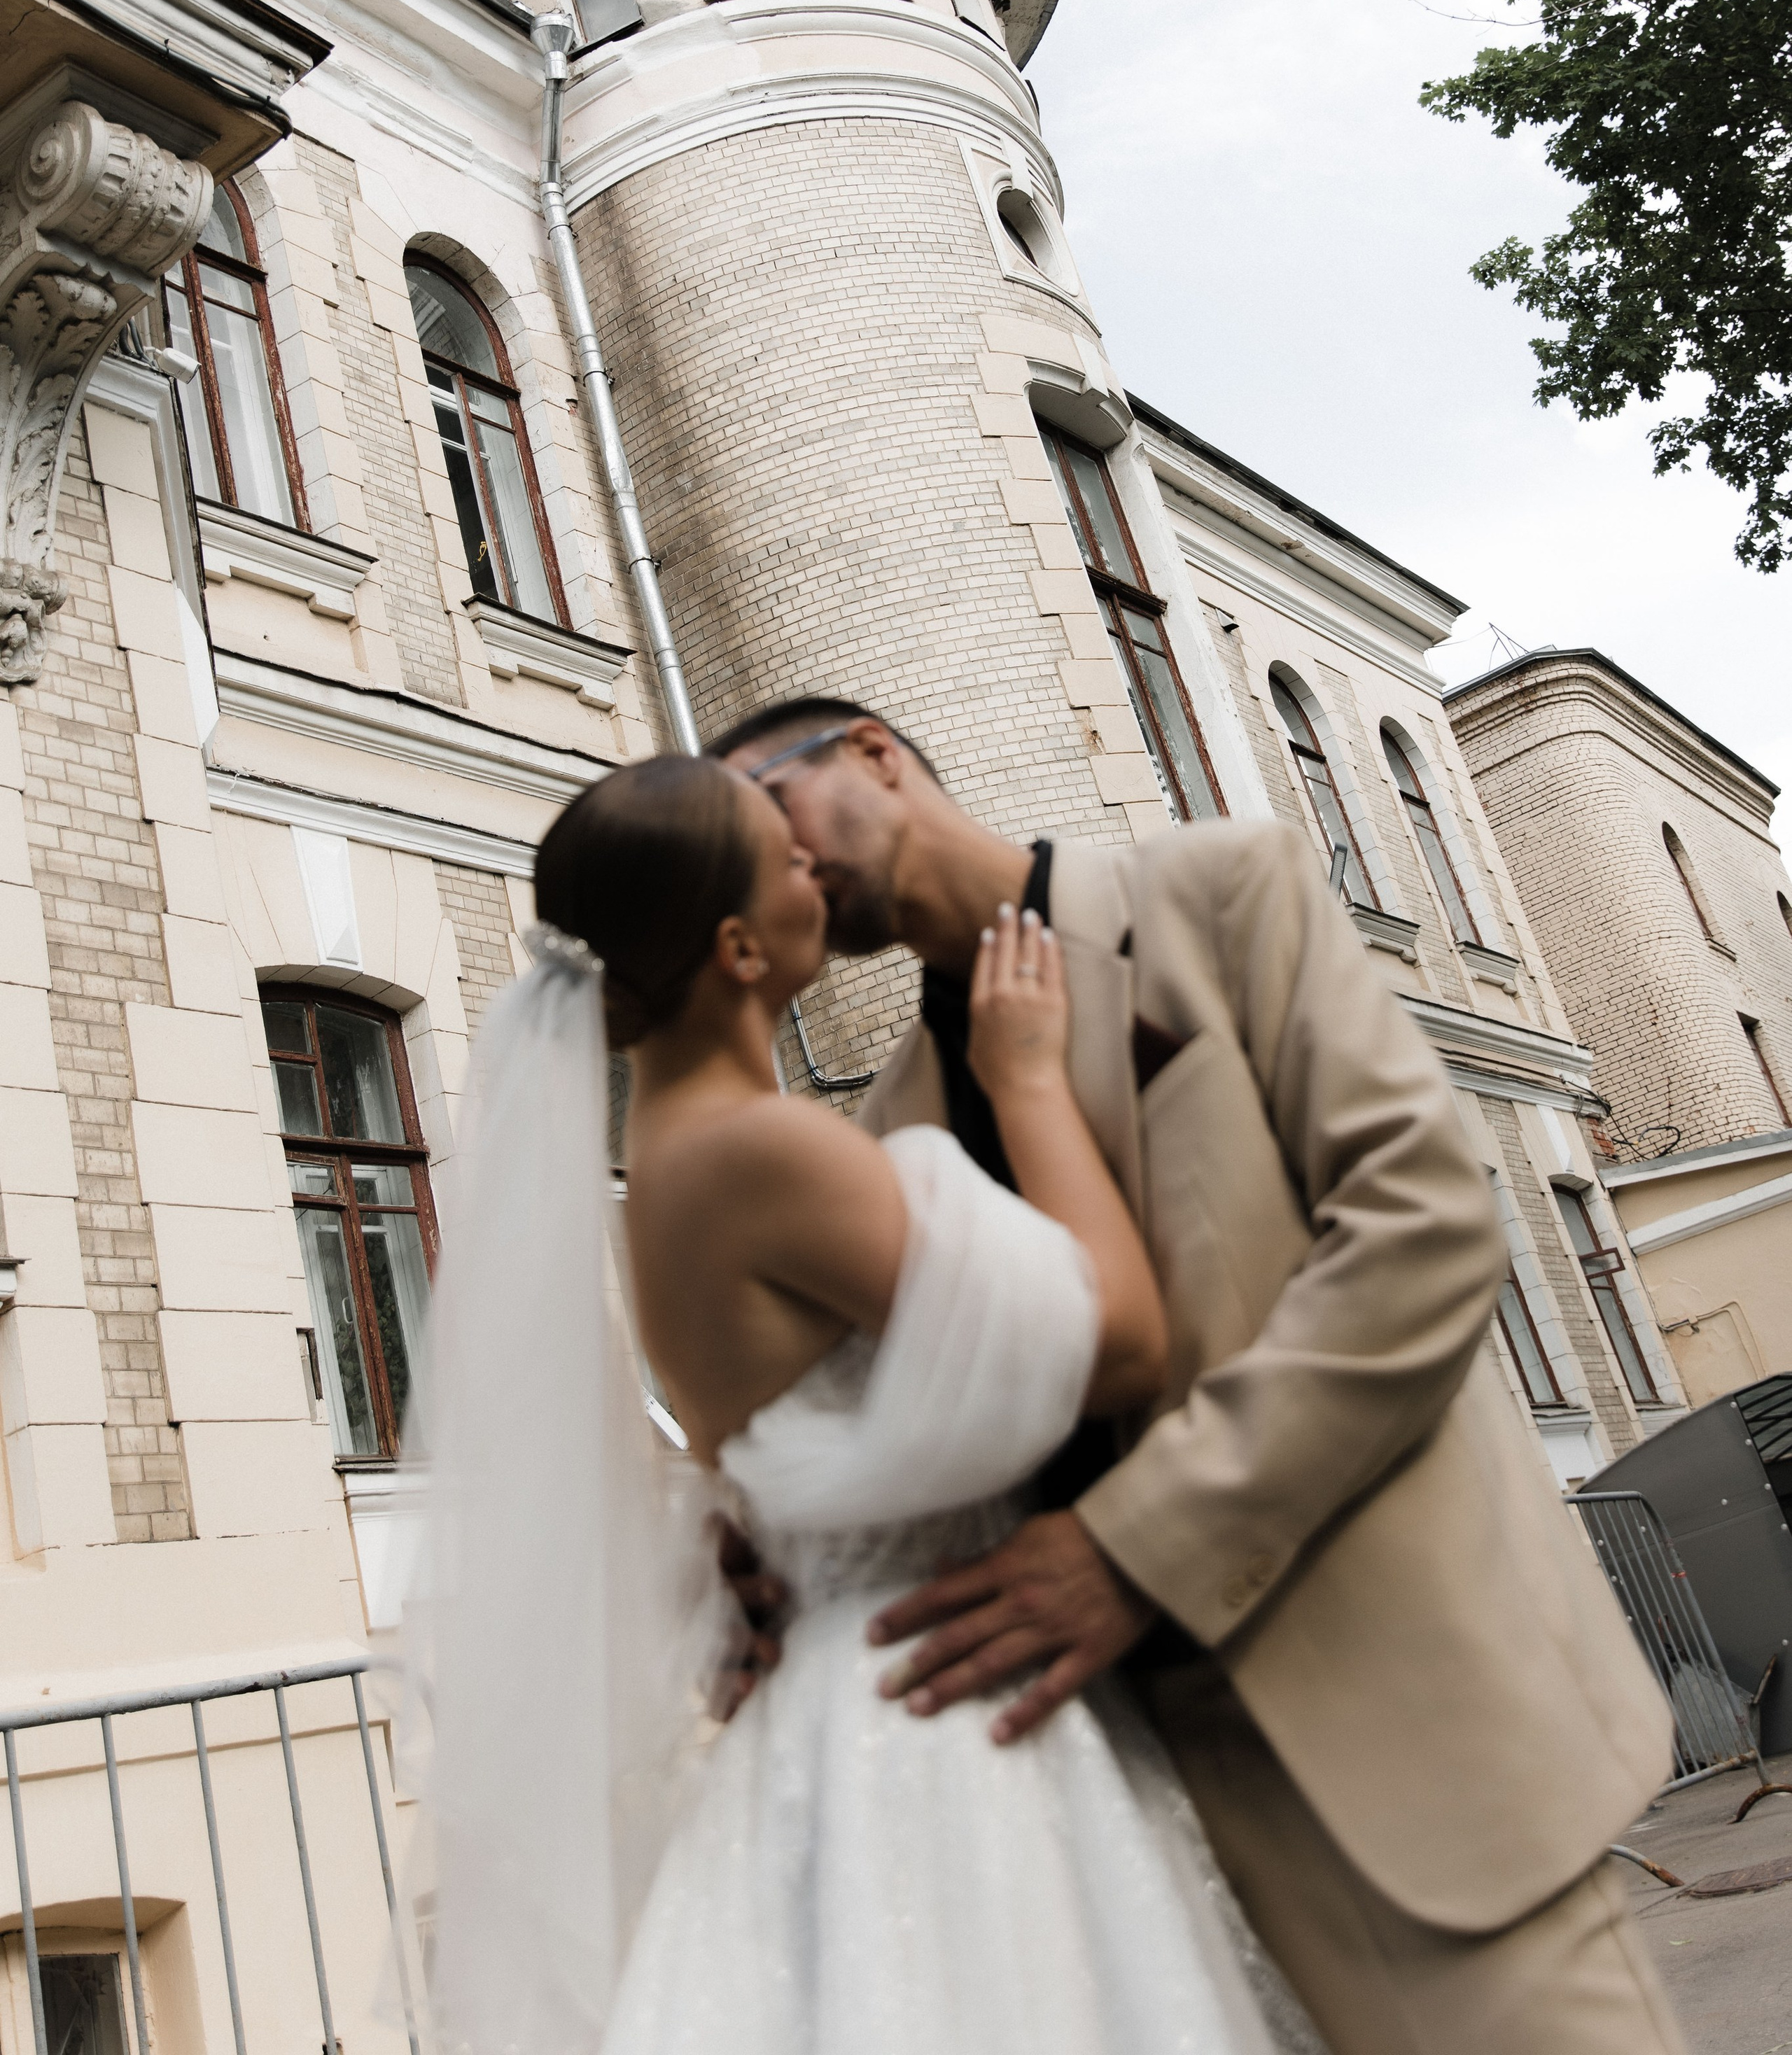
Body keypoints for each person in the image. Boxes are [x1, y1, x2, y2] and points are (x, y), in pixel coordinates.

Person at [707, 699, 1686, 2055]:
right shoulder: (884, 1139)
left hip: (1413, 1745)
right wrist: (765, 1553)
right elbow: (908, 1443)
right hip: (1128, 1837)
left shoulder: (1223, 893)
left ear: (872, 753)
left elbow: (1422, 1235)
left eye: (756, 810)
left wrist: (1135, 1550)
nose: (752, 865)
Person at [416, 752, 1322, 2055]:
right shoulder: (762, 1150)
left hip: (835, 1715)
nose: (813, 864)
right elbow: (1119, 1341)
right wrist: (1026, 1081)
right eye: (782, 859)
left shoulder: (666, 1164)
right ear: (737, 947)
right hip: (928, 1726)